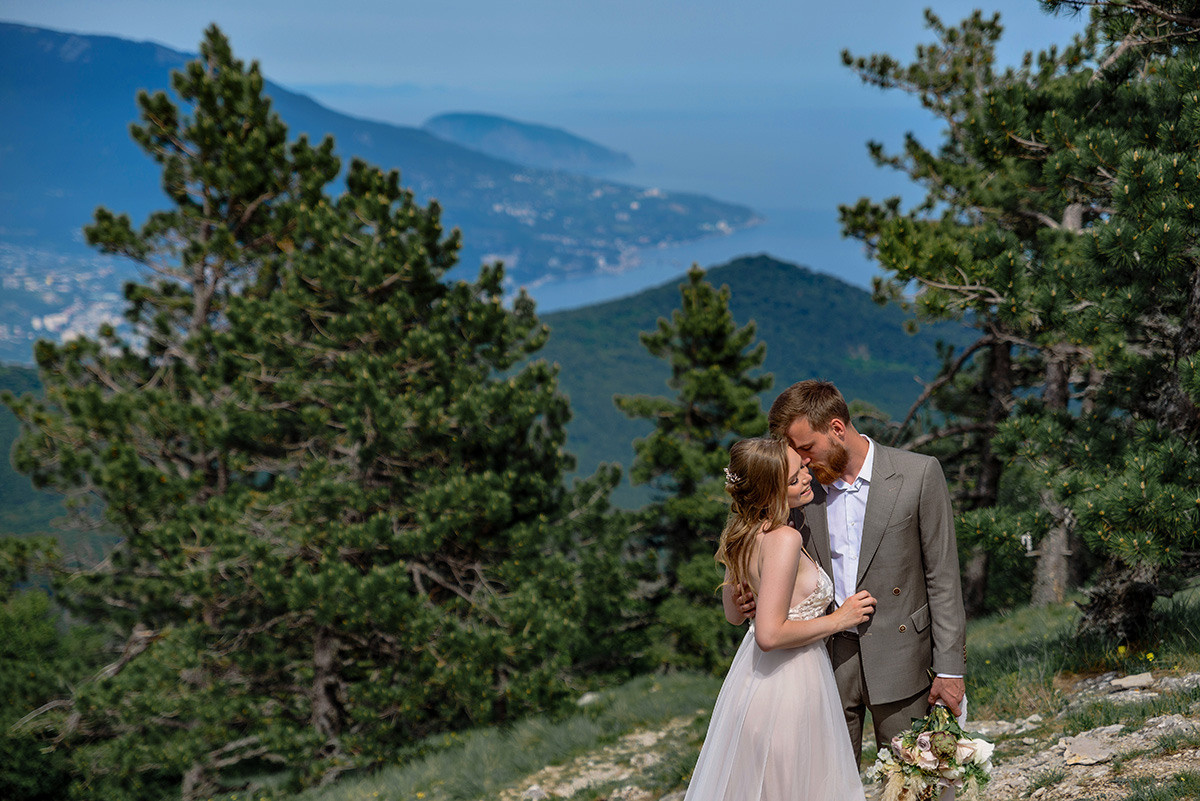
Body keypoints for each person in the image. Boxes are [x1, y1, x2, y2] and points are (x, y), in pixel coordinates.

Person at [751, 379, 968, 763]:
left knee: (912, 777)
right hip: (825, 658)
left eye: (806, 448)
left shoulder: (918, 474)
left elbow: (944, 579)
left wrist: (950, 670)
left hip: (904, 655)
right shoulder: (803, 490)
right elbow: (764, 543)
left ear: (836, 428)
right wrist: (747, 589)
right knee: (828, 779)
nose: (803, 463)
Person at [684, 437, 876, 801]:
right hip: (789, 685)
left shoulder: (741, 535)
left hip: (754, 682)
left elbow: (734, 615)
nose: (806, 477)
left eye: (802, 467)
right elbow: (769, 635)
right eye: (793, 479)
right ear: (769, 491)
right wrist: (840, 619)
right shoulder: (784, 538)